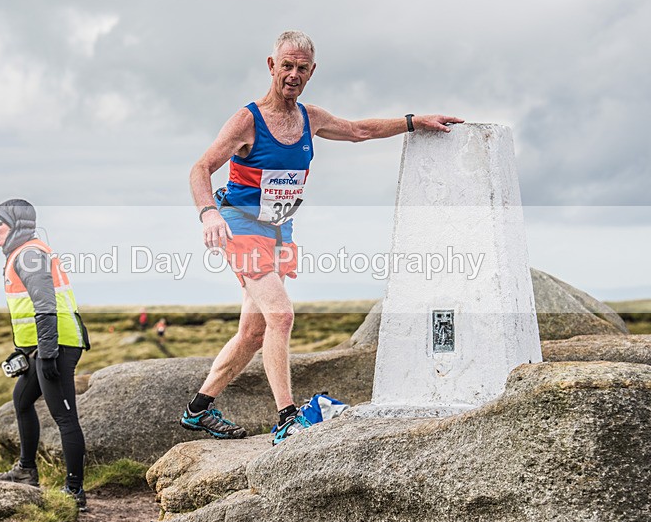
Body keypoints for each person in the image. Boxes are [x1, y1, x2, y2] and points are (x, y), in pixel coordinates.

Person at [181, 31, 463, 445]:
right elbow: (201, 168)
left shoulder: (309, 118)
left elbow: (359, 131)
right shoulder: (248, 120)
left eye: (302, 68)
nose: (293, 75)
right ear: (271, 66)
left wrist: (412, 122)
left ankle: (197, 411)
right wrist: (208, 214)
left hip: (278, 233)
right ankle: (286, 418)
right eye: (286, 66)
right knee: (281, 315)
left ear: (312, 72)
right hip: (240, 227)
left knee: (253, 332)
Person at [0, 199, 90, 512]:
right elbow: (28, 308)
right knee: (21, 400)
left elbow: (45, 304)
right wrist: (24, 351)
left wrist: (45, 354)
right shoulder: (24, 253)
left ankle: (75, 491)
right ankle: (26, 471)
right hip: (45, 346)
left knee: (64, 417)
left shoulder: (29, 254)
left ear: (16, 225)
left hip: (57, 346)